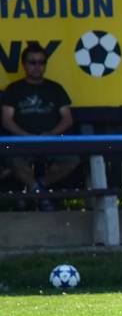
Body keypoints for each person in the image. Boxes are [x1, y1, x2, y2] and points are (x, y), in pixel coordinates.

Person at [1, 44, 80, 211]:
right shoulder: (14, 89)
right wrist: (24, 135)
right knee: (11, 158)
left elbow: (67, 119)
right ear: (24, 65)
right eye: (33, 62)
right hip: (21, 143)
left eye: (42, 62)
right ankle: (41, 195)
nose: (37, 66)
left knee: (72, 159)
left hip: (50, 142)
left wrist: (50, 134)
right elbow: (6, 120)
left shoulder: (55, 88)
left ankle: (34, 188)